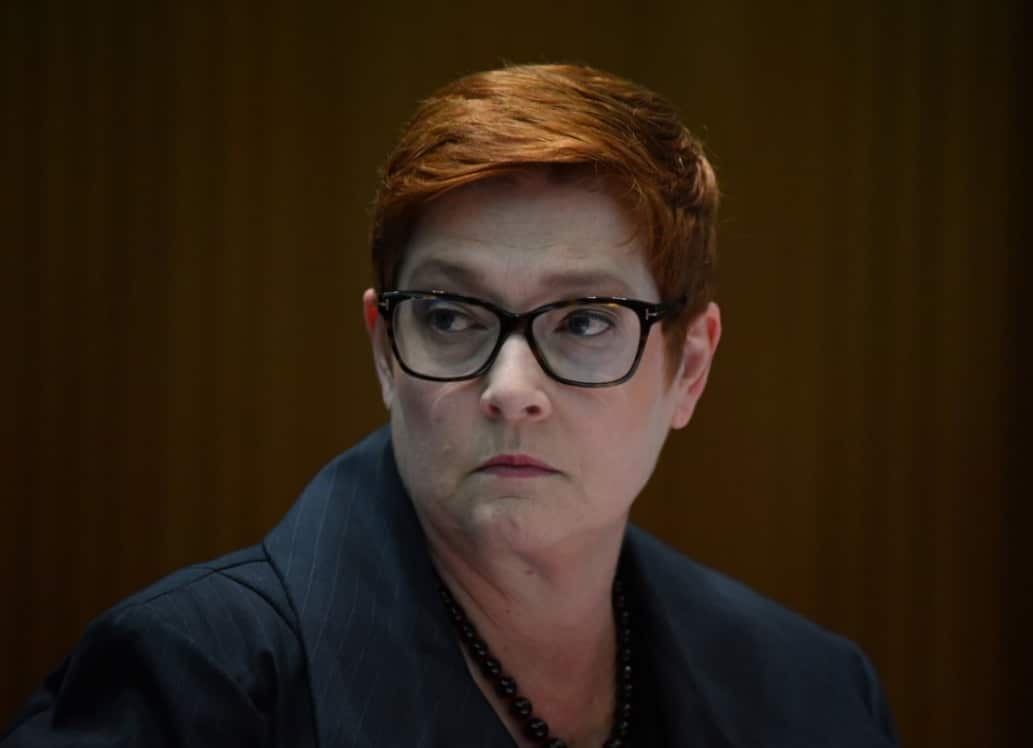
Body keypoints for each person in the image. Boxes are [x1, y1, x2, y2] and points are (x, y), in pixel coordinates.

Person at [2, 64, 898, 747]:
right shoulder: (190, 681)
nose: (511, 389)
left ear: (689, 369)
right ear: (386, 351)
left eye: (585, 319)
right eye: (449, 316)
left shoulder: (813, 694)